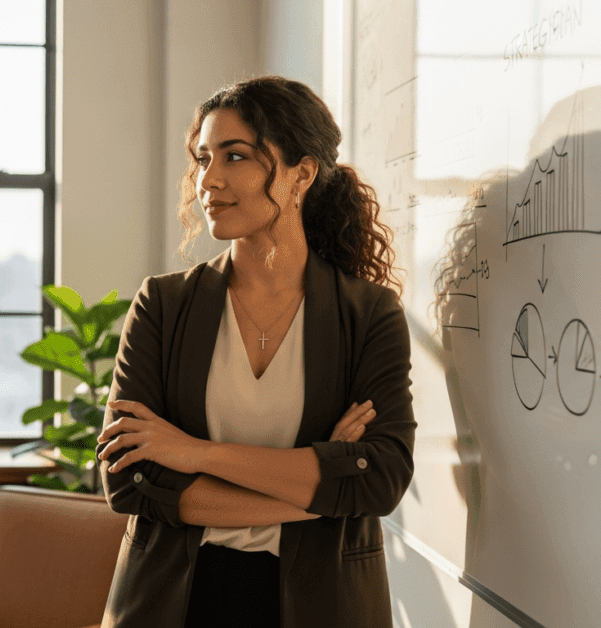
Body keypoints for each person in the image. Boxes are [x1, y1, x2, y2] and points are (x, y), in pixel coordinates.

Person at [95, 75, 416, 627]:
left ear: (303, 174)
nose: (207, 180)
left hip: (323, 605)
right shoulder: (163, 306)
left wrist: (194, 453)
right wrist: (318, 487)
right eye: (202, 159)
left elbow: (379, 476)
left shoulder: (368, 314)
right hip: (174, 603)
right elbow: (131, 479)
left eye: (235, 156)